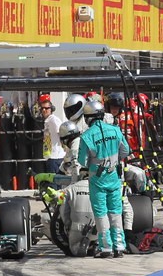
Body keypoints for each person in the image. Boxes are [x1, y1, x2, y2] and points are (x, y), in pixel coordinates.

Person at [77, 98, 130, 258]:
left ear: (88, 117)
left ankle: (106, 248)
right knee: (115, 211)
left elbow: (82, 161)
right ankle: (119, 246)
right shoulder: (115, 130)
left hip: (97, 179)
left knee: (100, 213)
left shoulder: (86, 136)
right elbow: (126, 150)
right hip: (114, 176)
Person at [39, 94, 66, 174]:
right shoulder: (48, 121)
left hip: (56, 157)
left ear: (51, 109)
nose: (44, 110)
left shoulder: (54, 120)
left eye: (46, 108)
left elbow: (62, 134)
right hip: (50, 157)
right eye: (42, 108)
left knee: (54, 184)